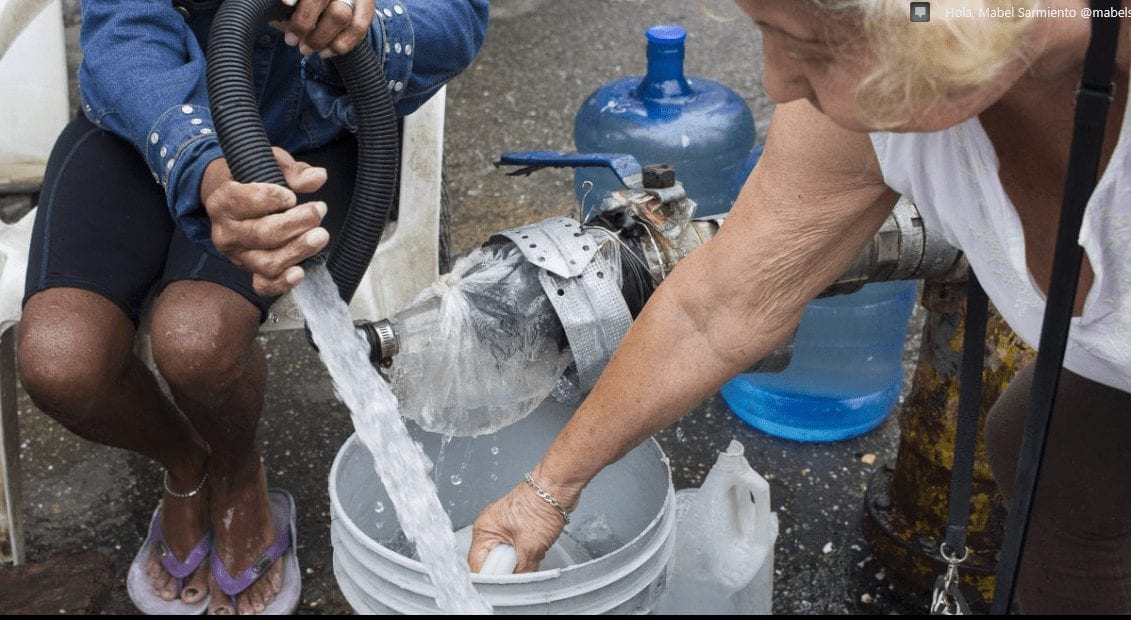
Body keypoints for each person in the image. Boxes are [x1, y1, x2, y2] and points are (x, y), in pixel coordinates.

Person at [458, 0, 1127, 614]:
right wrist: (545, 491)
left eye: (811, 45)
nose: (777, 83)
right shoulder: (878, 93)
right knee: (1037, 444)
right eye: (765, 32)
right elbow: (714, 307)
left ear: (950, 26)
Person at [17, 0, 487, 614]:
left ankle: (239, 474)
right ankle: (188, 464)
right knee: (61, 361)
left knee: (197, 341)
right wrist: (204, 163)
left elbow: (459, 18)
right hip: (143, 119)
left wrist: (363, 20)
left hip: (312, 135)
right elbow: (124, 31)